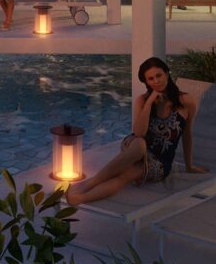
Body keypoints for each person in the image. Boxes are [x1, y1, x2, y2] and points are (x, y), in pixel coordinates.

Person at [65, 57, 206, 205]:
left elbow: (187, 134)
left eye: (159, 75)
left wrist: (189, 166)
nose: (156, 81)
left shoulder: (186, 101)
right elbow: (139, 133)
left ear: (166, 73)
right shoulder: (142, 100)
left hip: (159, 162)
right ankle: (90, 184)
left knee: (124, 175)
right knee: (139, 144)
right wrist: (149, 103)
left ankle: (80, 198)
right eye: (150, 79)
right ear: (146, 82)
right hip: (136, 146)